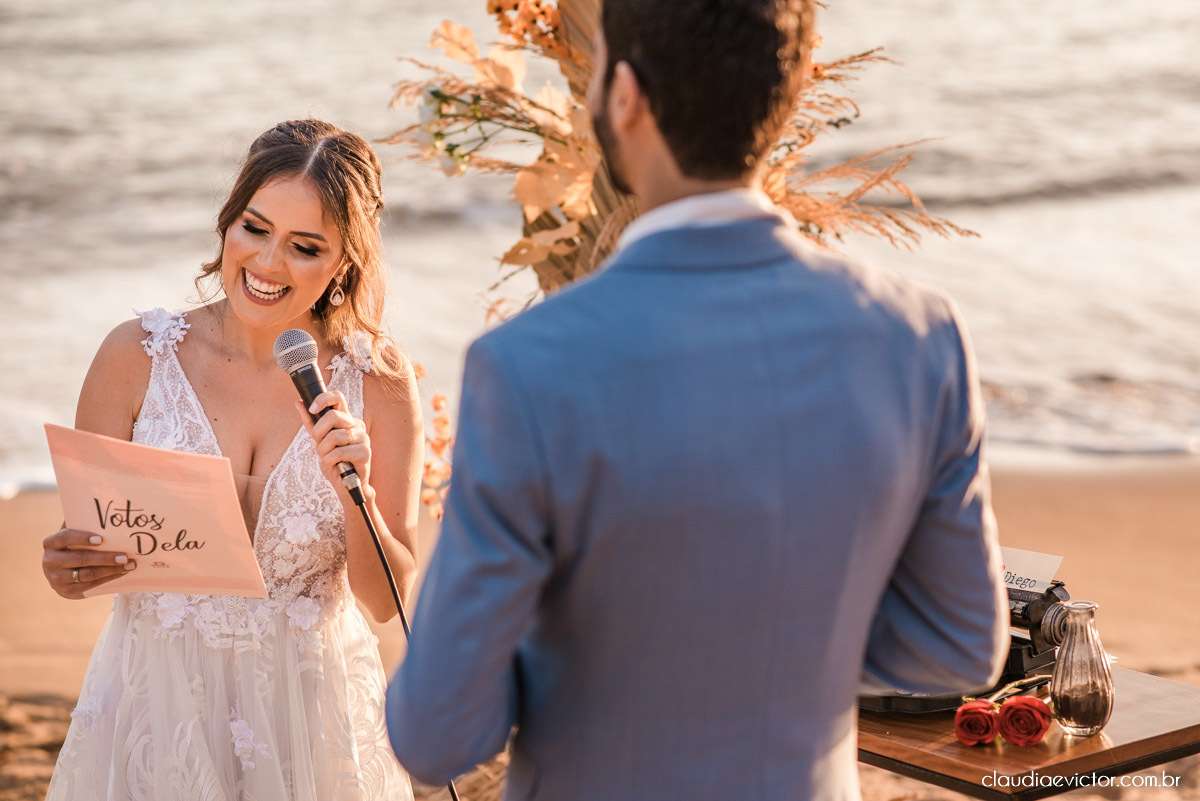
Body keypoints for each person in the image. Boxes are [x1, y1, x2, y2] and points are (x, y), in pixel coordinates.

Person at [386, 1, 1008, 799]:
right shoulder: (919, 334)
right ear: (781, 92)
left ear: (626, 96)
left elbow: (436, 732)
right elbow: (960, 641)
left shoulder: (528, 366)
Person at [41, 119, 419, 800]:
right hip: (156, 706)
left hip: (309, 723)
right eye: (254, 227)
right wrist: (67, 567)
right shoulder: (136, 356)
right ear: (228, 222)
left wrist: (348, 485)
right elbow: (84, 565)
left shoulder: (380, 382)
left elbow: (382, 598)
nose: (268, 263)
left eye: (305, 247)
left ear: (344, 262)